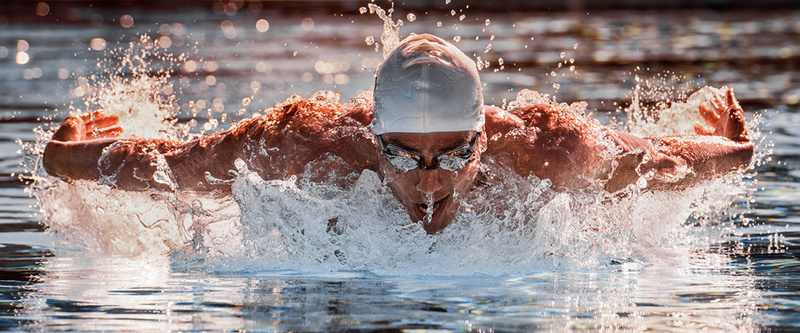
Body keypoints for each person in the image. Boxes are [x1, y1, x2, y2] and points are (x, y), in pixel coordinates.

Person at [42, 34, 754, 234]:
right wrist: (64, 154)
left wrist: (732, 151)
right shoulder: (306, 142)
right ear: (371, 138)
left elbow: (653, 161)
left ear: (485, 139)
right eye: (402, 156)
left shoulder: (547, 151)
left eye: (453, 153)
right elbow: (178, 164)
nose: (429, 181)